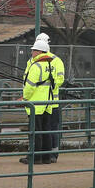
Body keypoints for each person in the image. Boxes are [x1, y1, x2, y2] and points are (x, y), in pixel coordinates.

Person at [22, 34, 65, 165]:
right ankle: (46, 156)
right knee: (47, 130)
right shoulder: (51, 62)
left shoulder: (37, 64)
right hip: (49, 101)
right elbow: (55, 81)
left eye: (34, 49)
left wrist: (25, 97)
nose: (32, 52)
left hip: (37, 102)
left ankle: (37, 157)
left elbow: (29, 83)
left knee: (38, 131)